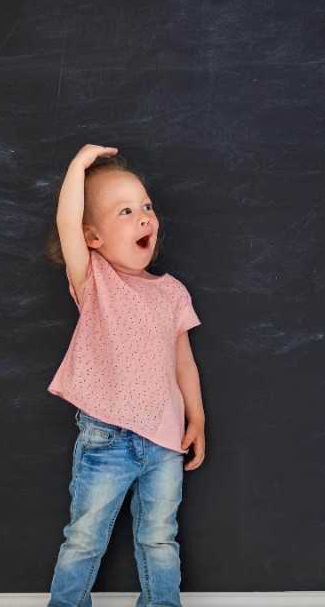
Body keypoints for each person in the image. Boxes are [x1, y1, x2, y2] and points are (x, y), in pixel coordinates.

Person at [43, 144, 206, 607]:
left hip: (163, 441)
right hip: (105, 441)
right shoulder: (95, 281)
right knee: (84, 537)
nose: (143, 218)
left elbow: (184, 363)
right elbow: (65, 224)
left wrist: (196, 420)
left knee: (159, 539)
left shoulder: (172, 292)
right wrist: (77, 166)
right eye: (126, 211)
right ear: (93, 237)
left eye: (147, 207)